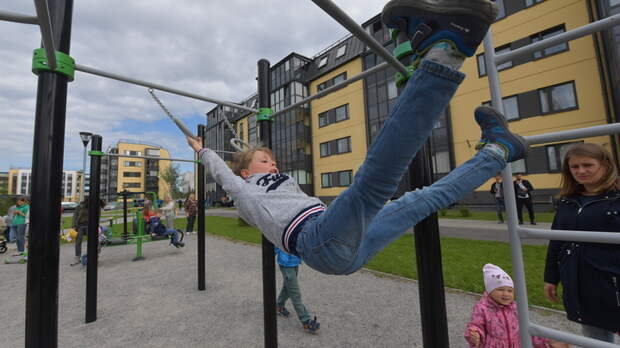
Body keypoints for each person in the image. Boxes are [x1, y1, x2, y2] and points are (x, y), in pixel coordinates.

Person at [186, 0, 528, 276]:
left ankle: (496, 152)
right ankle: (446, 50)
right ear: (247, 173)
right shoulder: (245, 191)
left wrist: (256, 156)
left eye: (271, 159)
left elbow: (279, 181)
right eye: (264, 161)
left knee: (419, 200)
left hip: (339, 244)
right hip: (318, 241)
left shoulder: (281, 183)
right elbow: (224, 176)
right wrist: (203, 152)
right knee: (372, 182)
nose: (272, 162)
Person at [543, 143, 620, 343]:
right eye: (574, 167)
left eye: (588, 165)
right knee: (594, 338)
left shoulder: (616, 199)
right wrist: (551, 277)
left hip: (612, 281)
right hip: (581, 281)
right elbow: (557, 240)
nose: (581, 171)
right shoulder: (568, 201)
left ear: (605, 165)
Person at [465, 264, 568, 348]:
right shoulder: (482, 308)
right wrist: (474, 334)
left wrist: (547, 341)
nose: (506, 294)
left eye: (510, 290)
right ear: (489, 291)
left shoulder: (516, 308)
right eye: (500, 290)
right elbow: (476, 324)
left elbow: (526, 330)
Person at [274, 247, 319, 333]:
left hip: (294, 263)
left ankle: (279, 306)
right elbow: (275, 243)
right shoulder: (280, 233)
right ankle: (306, 321)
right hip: (286, 265)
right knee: (295, 294)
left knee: (287, 288)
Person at [72, 197, 105, 263]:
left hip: (90, 226)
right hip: (80, 226)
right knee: (78, 241)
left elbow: (98, 216)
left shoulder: (96, 207)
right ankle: (77, 257)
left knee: (93, 240)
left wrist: (97, 225)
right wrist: (73, 226)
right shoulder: (80, 206)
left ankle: (94, 255)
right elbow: (75, 216)